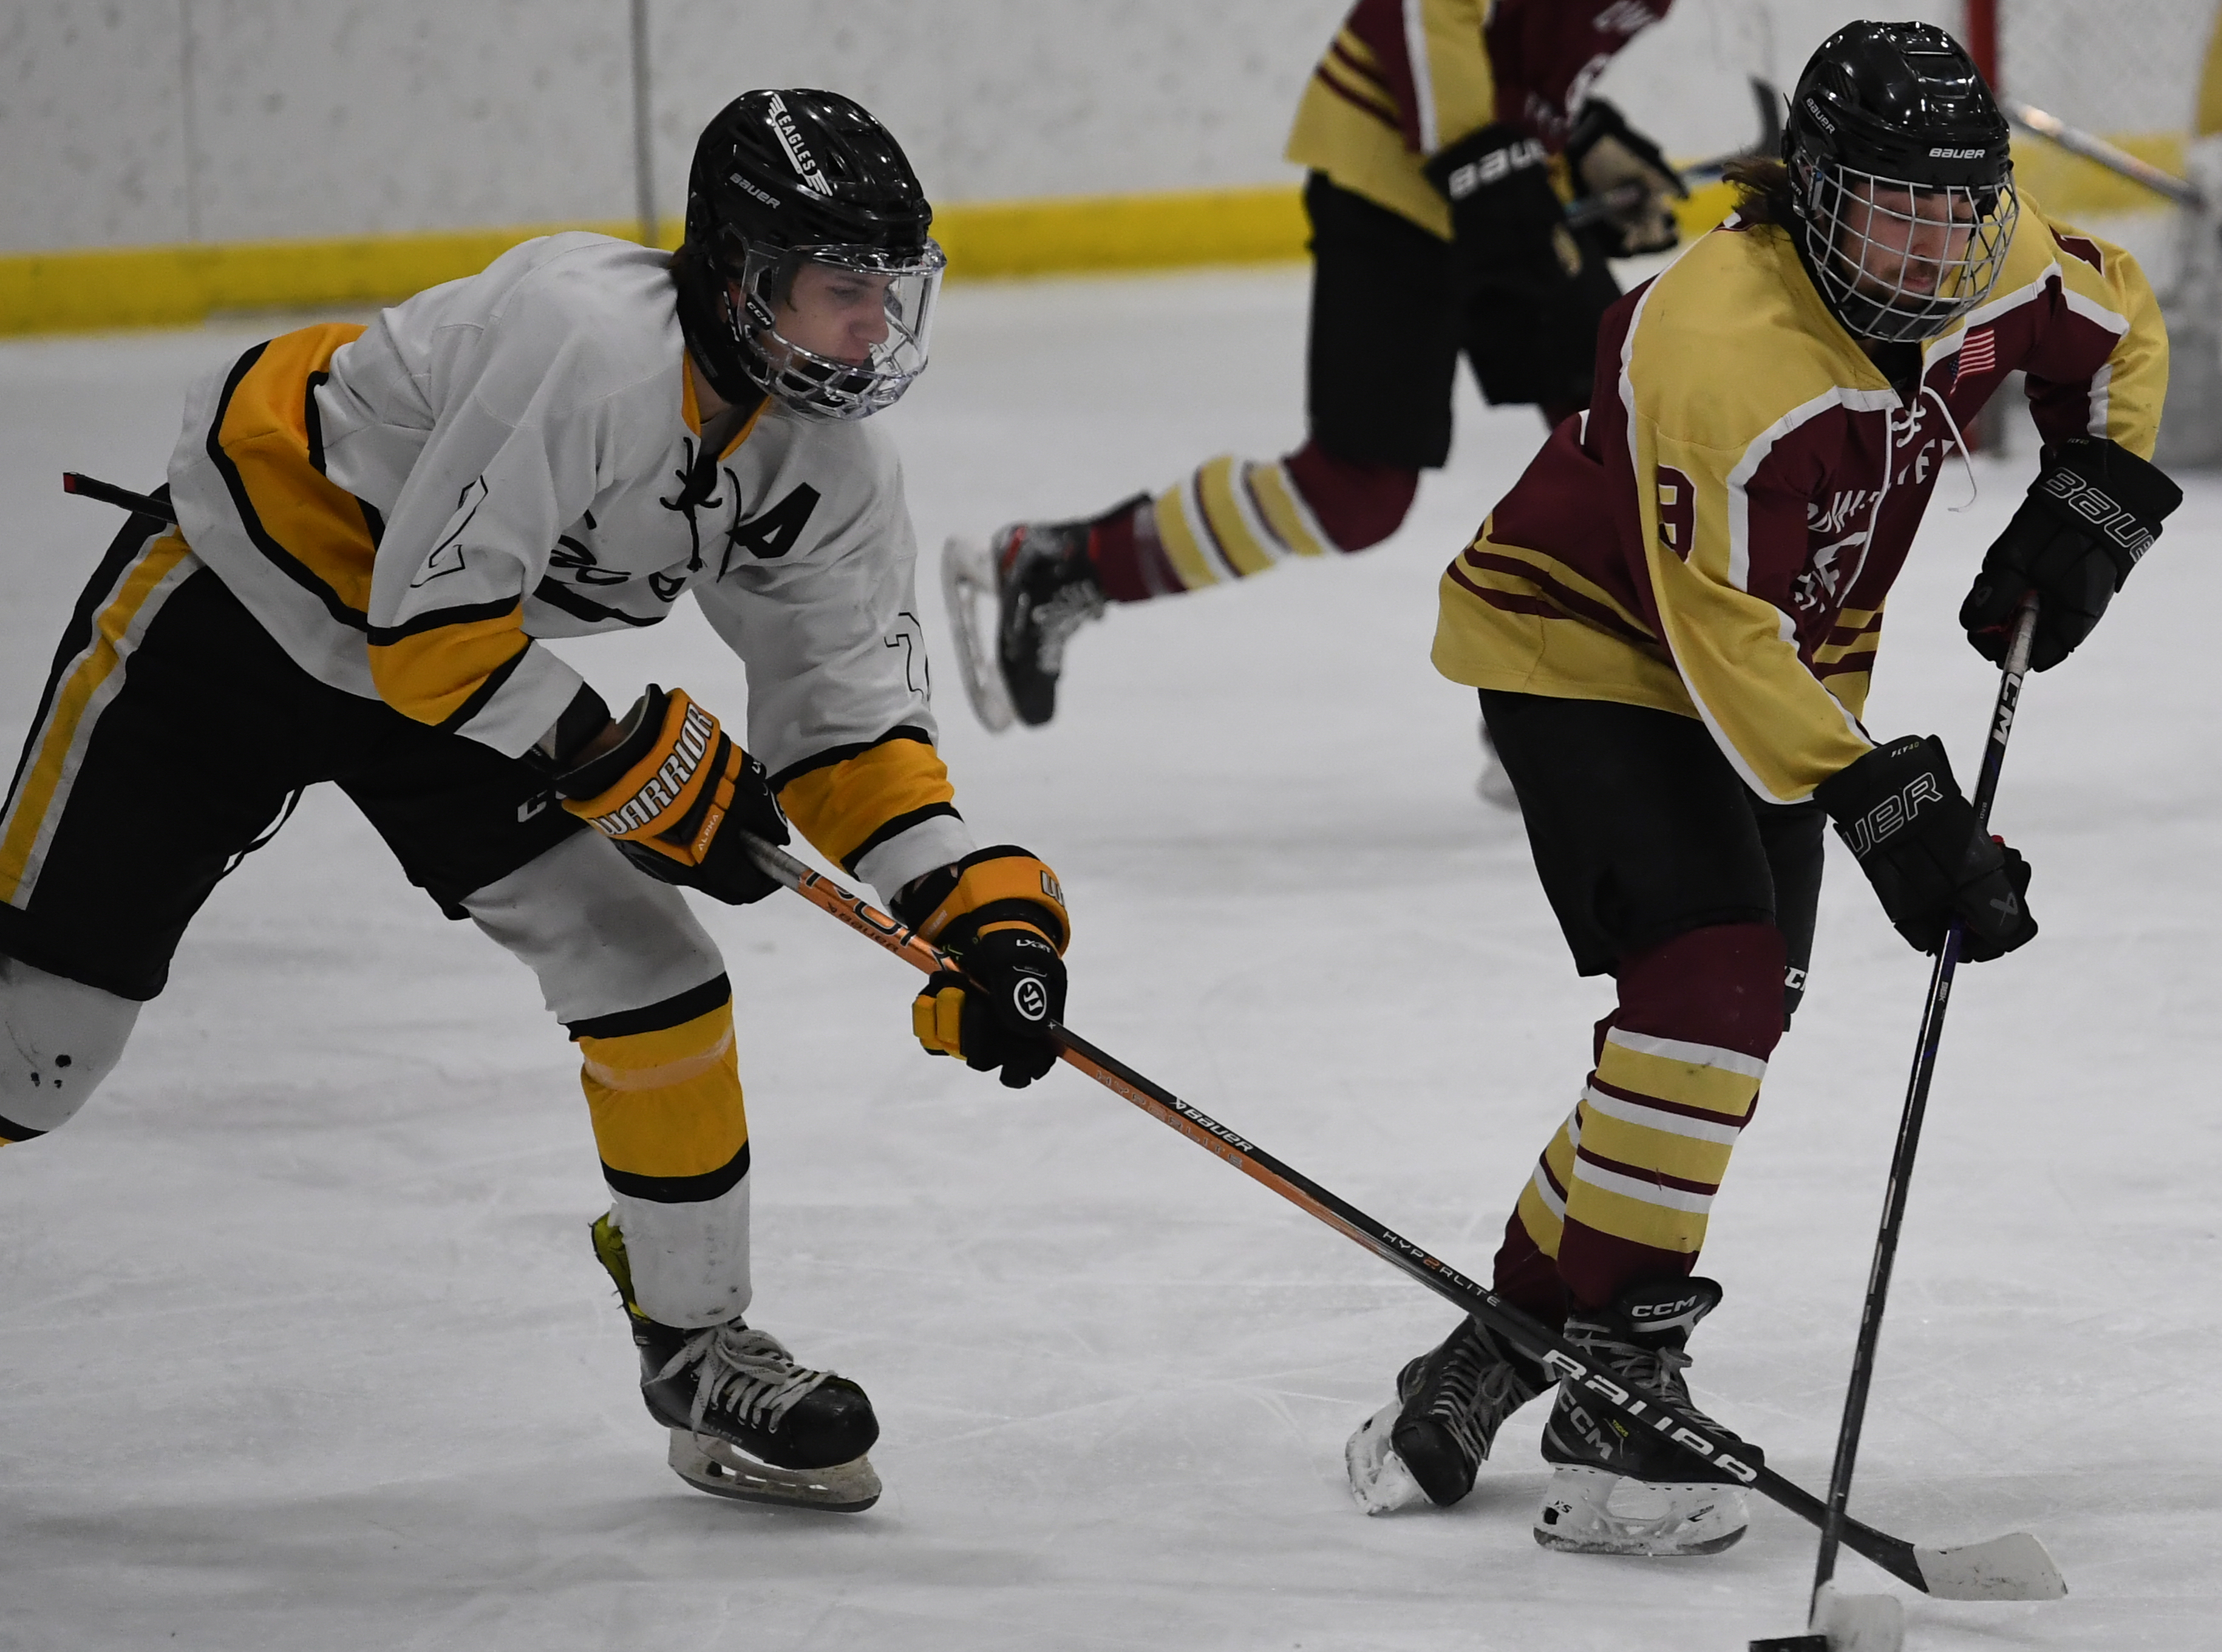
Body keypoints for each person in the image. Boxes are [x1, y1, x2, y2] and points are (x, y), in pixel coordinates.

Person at [0, 90, 1074, 1514]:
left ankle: (697, 1355)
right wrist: (626, 760)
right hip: (237, 607)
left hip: (458, 677)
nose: (875, 329)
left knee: (652, 972)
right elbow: (427, 629)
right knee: (37, 1052)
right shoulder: (587, 341)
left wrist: (975, 905)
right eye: (839, 292)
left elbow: (844, 728)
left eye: (890, 293)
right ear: (742, 281)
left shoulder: (829, 466)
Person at [1342, 21, 2180, 1554]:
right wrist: (1892, 805)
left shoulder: (1985, 273)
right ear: (1810, 193)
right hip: (1585, 648)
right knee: (1710, 992)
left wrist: (2095, 497)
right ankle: (1620, 1395)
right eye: (1893, 211)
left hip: (1776, 681)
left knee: (1711, 1031)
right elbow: (1717, 631)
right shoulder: (1720, 344)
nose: (1934, 252)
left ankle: (1511, 1337)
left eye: (1959, 209)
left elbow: (2120, 325)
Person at [942, 0, 1690, 744]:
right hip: (1393, 174)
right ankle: (1070, 564)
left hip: (1494, 173)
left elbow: (1523, 42)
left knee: (1622, 433)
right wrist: (1485, 162)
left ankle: (1556, 692)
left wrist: (1581, 136)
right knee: (1355, 493)